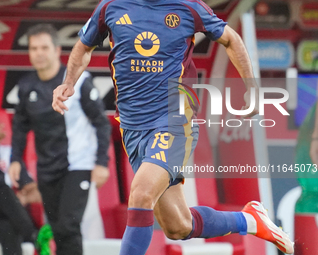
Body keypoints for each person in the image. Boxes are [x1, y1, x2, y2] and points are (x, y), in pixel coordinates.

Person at [52, 1, 294, 254]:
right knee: (178, 226)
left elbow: (231, 39)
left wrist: (252, 88)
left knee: (142, 193)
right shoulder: (110, 6)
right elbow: (83, 46)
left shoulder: (188, 6)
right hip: (133, 129)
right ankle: (250, 220)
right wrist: (69, 82)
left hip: (174, 118)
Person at [8, 24, 111, 255]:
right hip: (47, 170)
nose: (39, 53)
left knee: (68, 226)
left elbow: (101, 123)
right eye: (34, 48)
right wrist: (16, 159)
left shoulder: (79, 81)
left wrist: (102, 162)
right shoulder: (26, 87)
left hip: (78, 166)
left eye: (44, 47)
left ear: (56, 50)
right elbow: (20, 128)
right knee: (57, 229)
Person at [0, 104, 39, 255]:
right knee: (2, 192)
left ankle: (29, 233)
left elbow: (35, 193)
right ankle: (34, 237)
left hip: (0, 222)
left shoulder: (9, 156)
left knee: (8, 227)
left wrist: (25, 197)